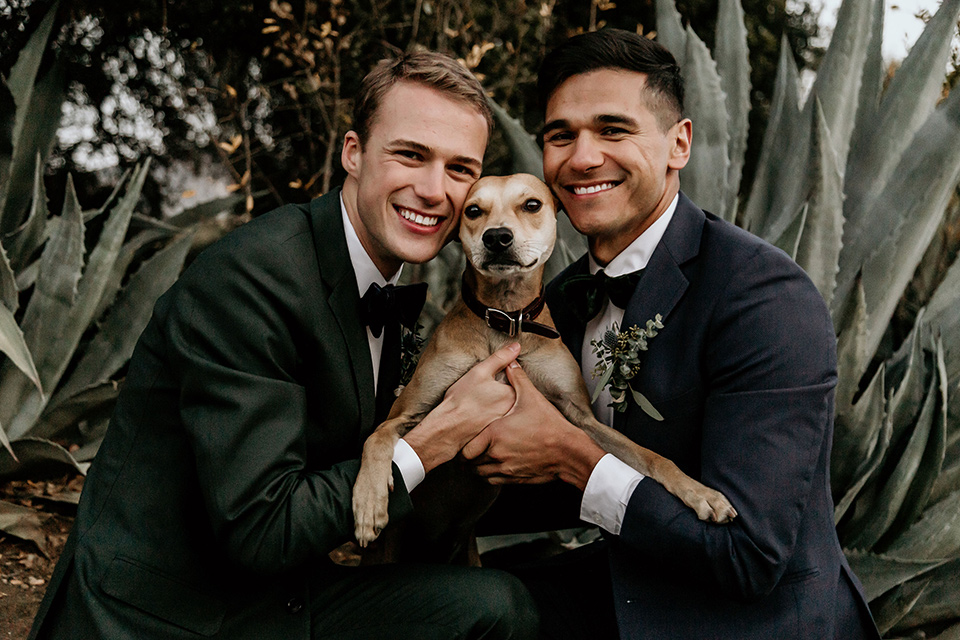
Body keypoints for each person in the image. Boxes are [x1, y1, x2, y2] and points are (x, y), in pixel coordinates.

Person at [29, 51, 538, 640]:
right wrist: (437, 434)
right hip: (166, 617)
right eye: (410, 155)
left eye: (459, 169)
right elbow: (261, 530)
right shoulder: (251, 280)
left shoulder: (382, 279)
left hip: (277, 595)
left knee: (500, 603)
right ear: (353, 153)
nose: (433, 190)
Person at [463, 29, 882, 640]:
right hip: (628, 586)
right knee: (433, 605)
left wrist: (573, 456)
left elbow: (750, 556)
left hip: (750, 622)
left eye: (613, 130)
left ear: (678, 143)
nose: (582, 158)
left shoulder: (762, 297)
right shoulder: (558, 300)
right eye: (561, 136)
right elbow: (524, 470)